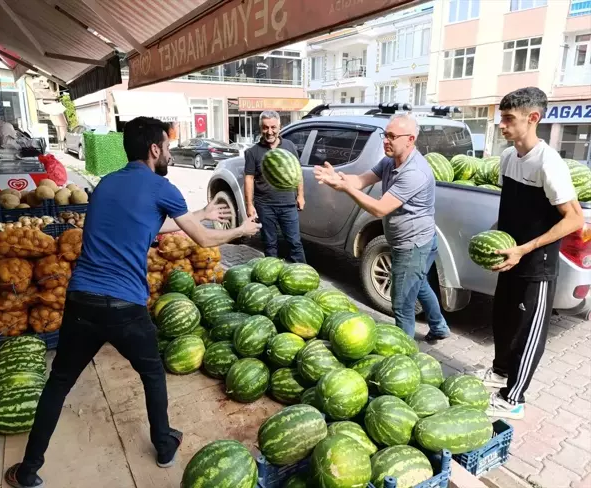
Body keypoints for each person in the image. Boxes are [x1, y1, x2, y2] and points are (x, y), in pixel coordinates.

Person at [5, 117, 261, 488]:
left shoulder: (106, 184)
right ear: (155, 149)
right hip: (125, 306)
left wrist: (201, 214)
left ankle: (28, 471)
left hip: (81, 300)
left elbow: (143, 225)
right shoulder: (161, 186)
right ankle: (164, 446)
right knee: (153, 373)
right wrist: (241, 231)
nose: (171, 152)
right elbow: (204, 241)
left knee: (59, 382)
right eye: (168, 146)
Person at [473, 87, 583, 420]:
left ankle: (515, 398)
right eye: (501, 118)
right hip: (510, 257)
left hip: (536, 263)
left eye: (508, 119)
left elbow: (575, 218)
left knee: (527, 329)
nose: (501, 126)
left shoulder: (549, 164)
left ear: (532, 118)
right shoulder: (508, 157)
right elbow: (513, 208)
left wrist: (525, 248)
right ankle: (500, 373)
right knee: (503, 321)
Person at [314, 113, 450, 341]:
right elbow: (361, 181)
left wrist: (346, 189)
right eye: (385, 135)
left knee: (402, 304)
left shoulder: (414, 172)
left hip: (413, 245)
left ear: (410, 139)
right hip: (418, 240)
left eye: (392, 136)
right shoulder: (389, 161)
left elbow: (379, 209)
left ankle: (404, 355)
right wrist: (338, 179)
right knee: (420, 283)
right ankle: (439, 328)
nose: (386, 140)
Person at [244, 110, 306, 263]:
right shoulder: (253, 152)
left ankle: (301, 275)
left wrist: (300, 195)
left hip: (288, 204)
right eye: (265, 127)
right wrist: (249, 205)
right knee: (270, 245)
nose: (269, 132)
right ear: (260, 128)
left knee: (295, 243)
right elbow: (249, 179)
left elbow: (297, 173)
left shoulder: (290, 146)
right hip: (265, 205)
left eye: (273, 127)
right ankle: (272, 280)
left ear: (280, 127)